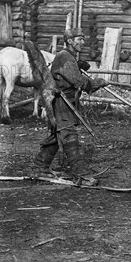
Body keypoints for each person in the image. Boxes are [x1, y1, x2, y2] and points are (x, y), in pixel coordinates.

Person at [32, 28, 109, 185]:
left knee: (57, 136)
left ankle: (40, 167)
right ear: (69, 41)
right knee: (69, 136)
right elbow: (79, 82)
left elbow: (69, 75)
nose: (82, 42)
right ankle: (81, 175)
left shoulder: (68, 57)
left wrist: (78, 66)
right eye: (79, 39)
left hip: (65, 102)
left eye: (83, 38)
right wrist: (99, 82)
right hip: (61, 102)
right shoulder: (65, 57)